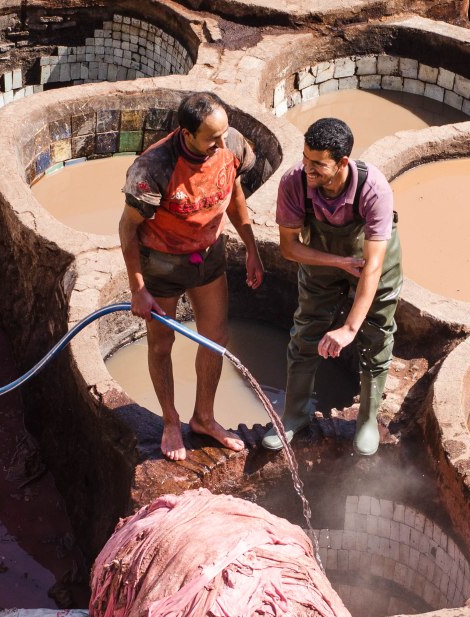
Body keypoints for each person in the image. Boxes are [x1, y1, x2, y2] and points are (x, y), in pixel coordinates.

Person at [119, 92, 263, 460]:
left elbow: (234, 196)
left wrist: (251, 248)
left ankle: (204, 418)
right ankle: (170, 420)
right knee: (161, 345)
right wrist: (138, 289)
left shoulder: (231, 145)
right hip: (163, 263)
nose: (220, 143)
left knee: (215, 339)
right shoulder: (153, 168)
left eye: (224, 134)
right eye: (211, 138)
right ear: (186, 133)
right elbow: (127, 229)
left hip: (209, 255)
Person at [262, 117, 402, 456]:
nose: (307, 169)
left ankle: (367, 420)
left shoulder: (374, 189)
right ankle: (295, 414)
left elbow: (372, 268)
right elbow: (289, 248)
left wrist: (350, 328)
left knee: (376, 336)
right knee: (305, 331)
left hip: (372, 261)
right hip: (321, 258)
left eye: (317, 164)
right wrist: (337, 262)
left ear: (342, 162)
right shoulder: (295, 182)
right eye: (305, 158)